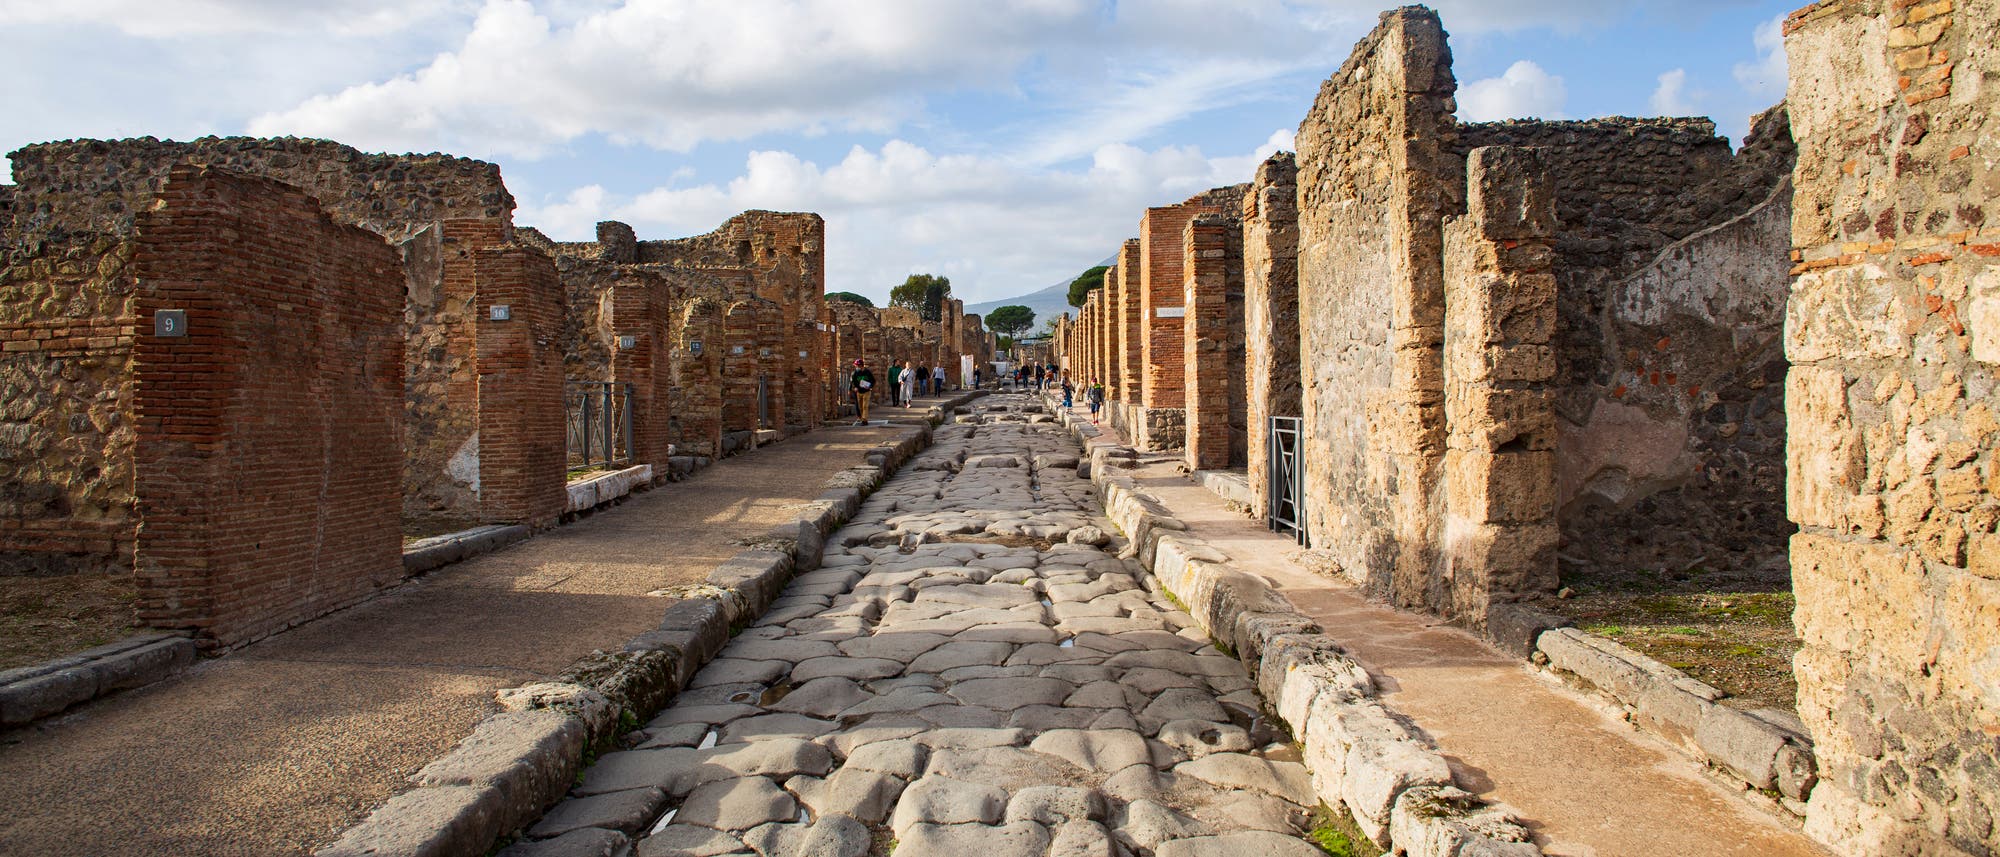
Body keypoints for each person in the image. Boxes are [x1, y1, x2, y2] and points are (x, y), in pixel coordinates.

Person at [850, 359, 875, 424]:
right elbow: (853, 382)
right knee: (860, 406)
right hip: (859, 391)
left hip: (866, 391)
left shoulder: (867, 372)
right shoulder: (855, 373)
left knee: (865, 406)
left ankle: (864, 420)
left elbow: (873, 380)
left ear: (860, 366)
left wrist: (870, 386)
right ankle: (861, 418)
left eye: (856, 366)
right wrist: (854, 387)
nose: (856, 367)